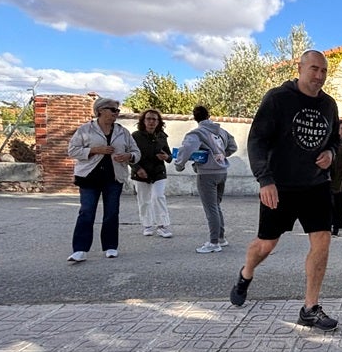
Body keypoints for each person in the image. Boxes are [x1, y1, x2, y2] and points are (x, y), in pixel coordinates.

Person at [228, 50, 341, 330]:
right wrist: (264, 180)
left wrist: (330, 153)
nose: (319, 76)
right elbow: (257, 141)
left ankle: (310, 308)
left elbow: (335, 142)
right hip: (279, 186)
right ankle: (246, 273)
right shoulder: (278, 99)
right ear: (300, 68)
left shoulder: (329, 105)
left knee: (322, 242)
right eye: (314, 69)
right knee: (266, 245)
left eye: (324, 71)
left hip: (316, 185)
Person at [66, 97, 140, 262]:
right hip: (89, 176)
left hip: (113, 176)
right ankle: (80, 249)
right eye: (113, 110)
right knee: (86, 211)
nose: (116, 113)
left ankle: (110, 246)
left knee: (112, 212)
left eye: (117, 110)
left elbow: (136, 151)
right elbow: (72, 150)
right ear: (100, 110)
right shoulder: (85, 129)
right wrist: (94, 150)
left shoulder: (123, 131)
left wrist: (129, 156)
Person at [175, 105, 238, 253]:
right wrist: (221, 155)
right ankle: (221, 238)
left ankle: (214, 242)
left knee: (210, 208)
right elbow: (233, 146)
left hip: (207, 173)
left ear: (195, 117)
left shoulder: (197, 133)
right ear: (208, 115)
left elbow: (187, 149)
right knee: (216, 205)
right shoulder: (221, 131)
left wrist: (179, 164)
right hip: (222, 171)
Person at [130, 108, 173, 238]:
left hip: (158, 172)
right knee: (144, 200)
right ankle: (147, 225)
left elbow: (169, 155)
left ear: (158, 122)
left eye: (154, 119)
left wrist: (166, 157)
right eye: (148, 119)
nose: (151, 122)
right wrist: (138, 169)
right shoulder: (135, 136)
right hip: (141, 173)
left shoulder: (162, 136)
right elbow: (130, 156)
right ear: (143, 120)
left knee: (158, 196)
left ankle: (162, 226)